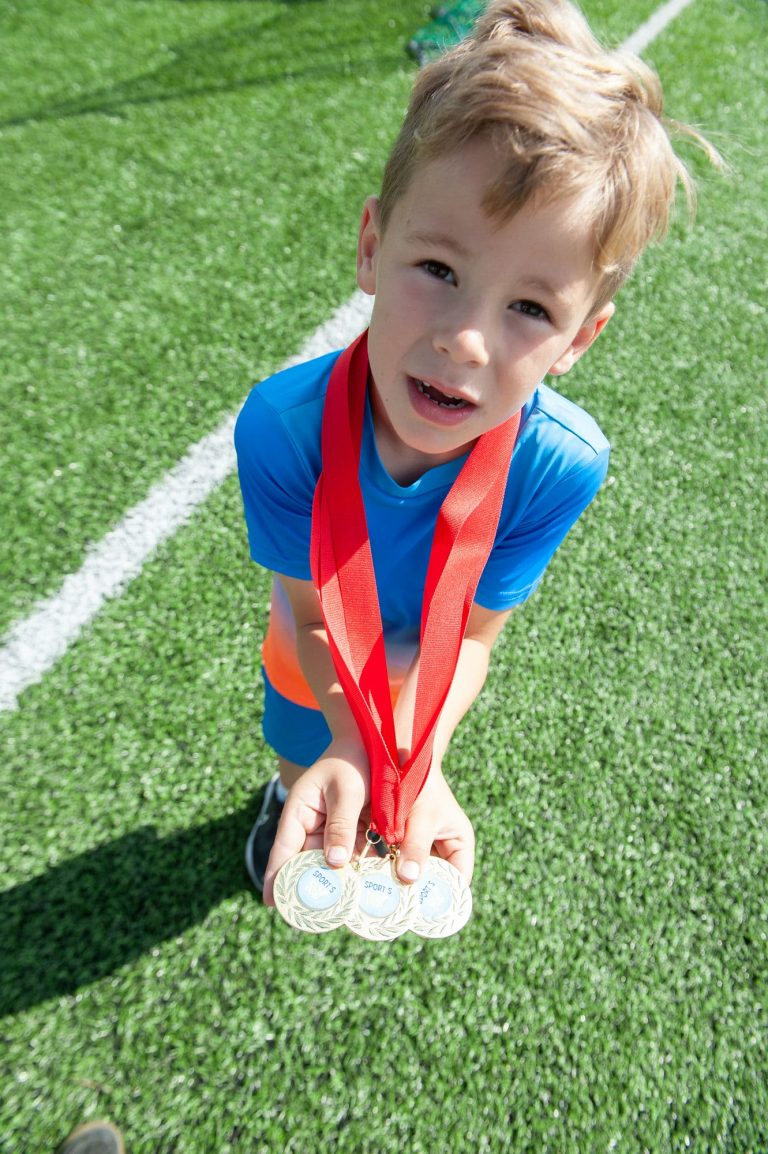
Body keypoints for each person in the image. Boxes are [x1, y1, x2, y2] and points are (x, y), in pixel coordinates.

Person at [235, 0, 716, 905]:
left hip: (427, 674)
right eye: (440, 271)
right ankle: (282, 791)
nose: (466, 341)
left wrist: (419, 765)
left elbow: (477, 638)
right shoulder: (281, 428)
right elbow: (305, 612)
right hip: (313, 659)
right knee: (298, 740)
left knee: (380, 783)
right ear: (373, 247)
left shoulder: (561, 464)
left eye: (530, 309)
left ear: (583, 336)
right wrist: (341, 735)